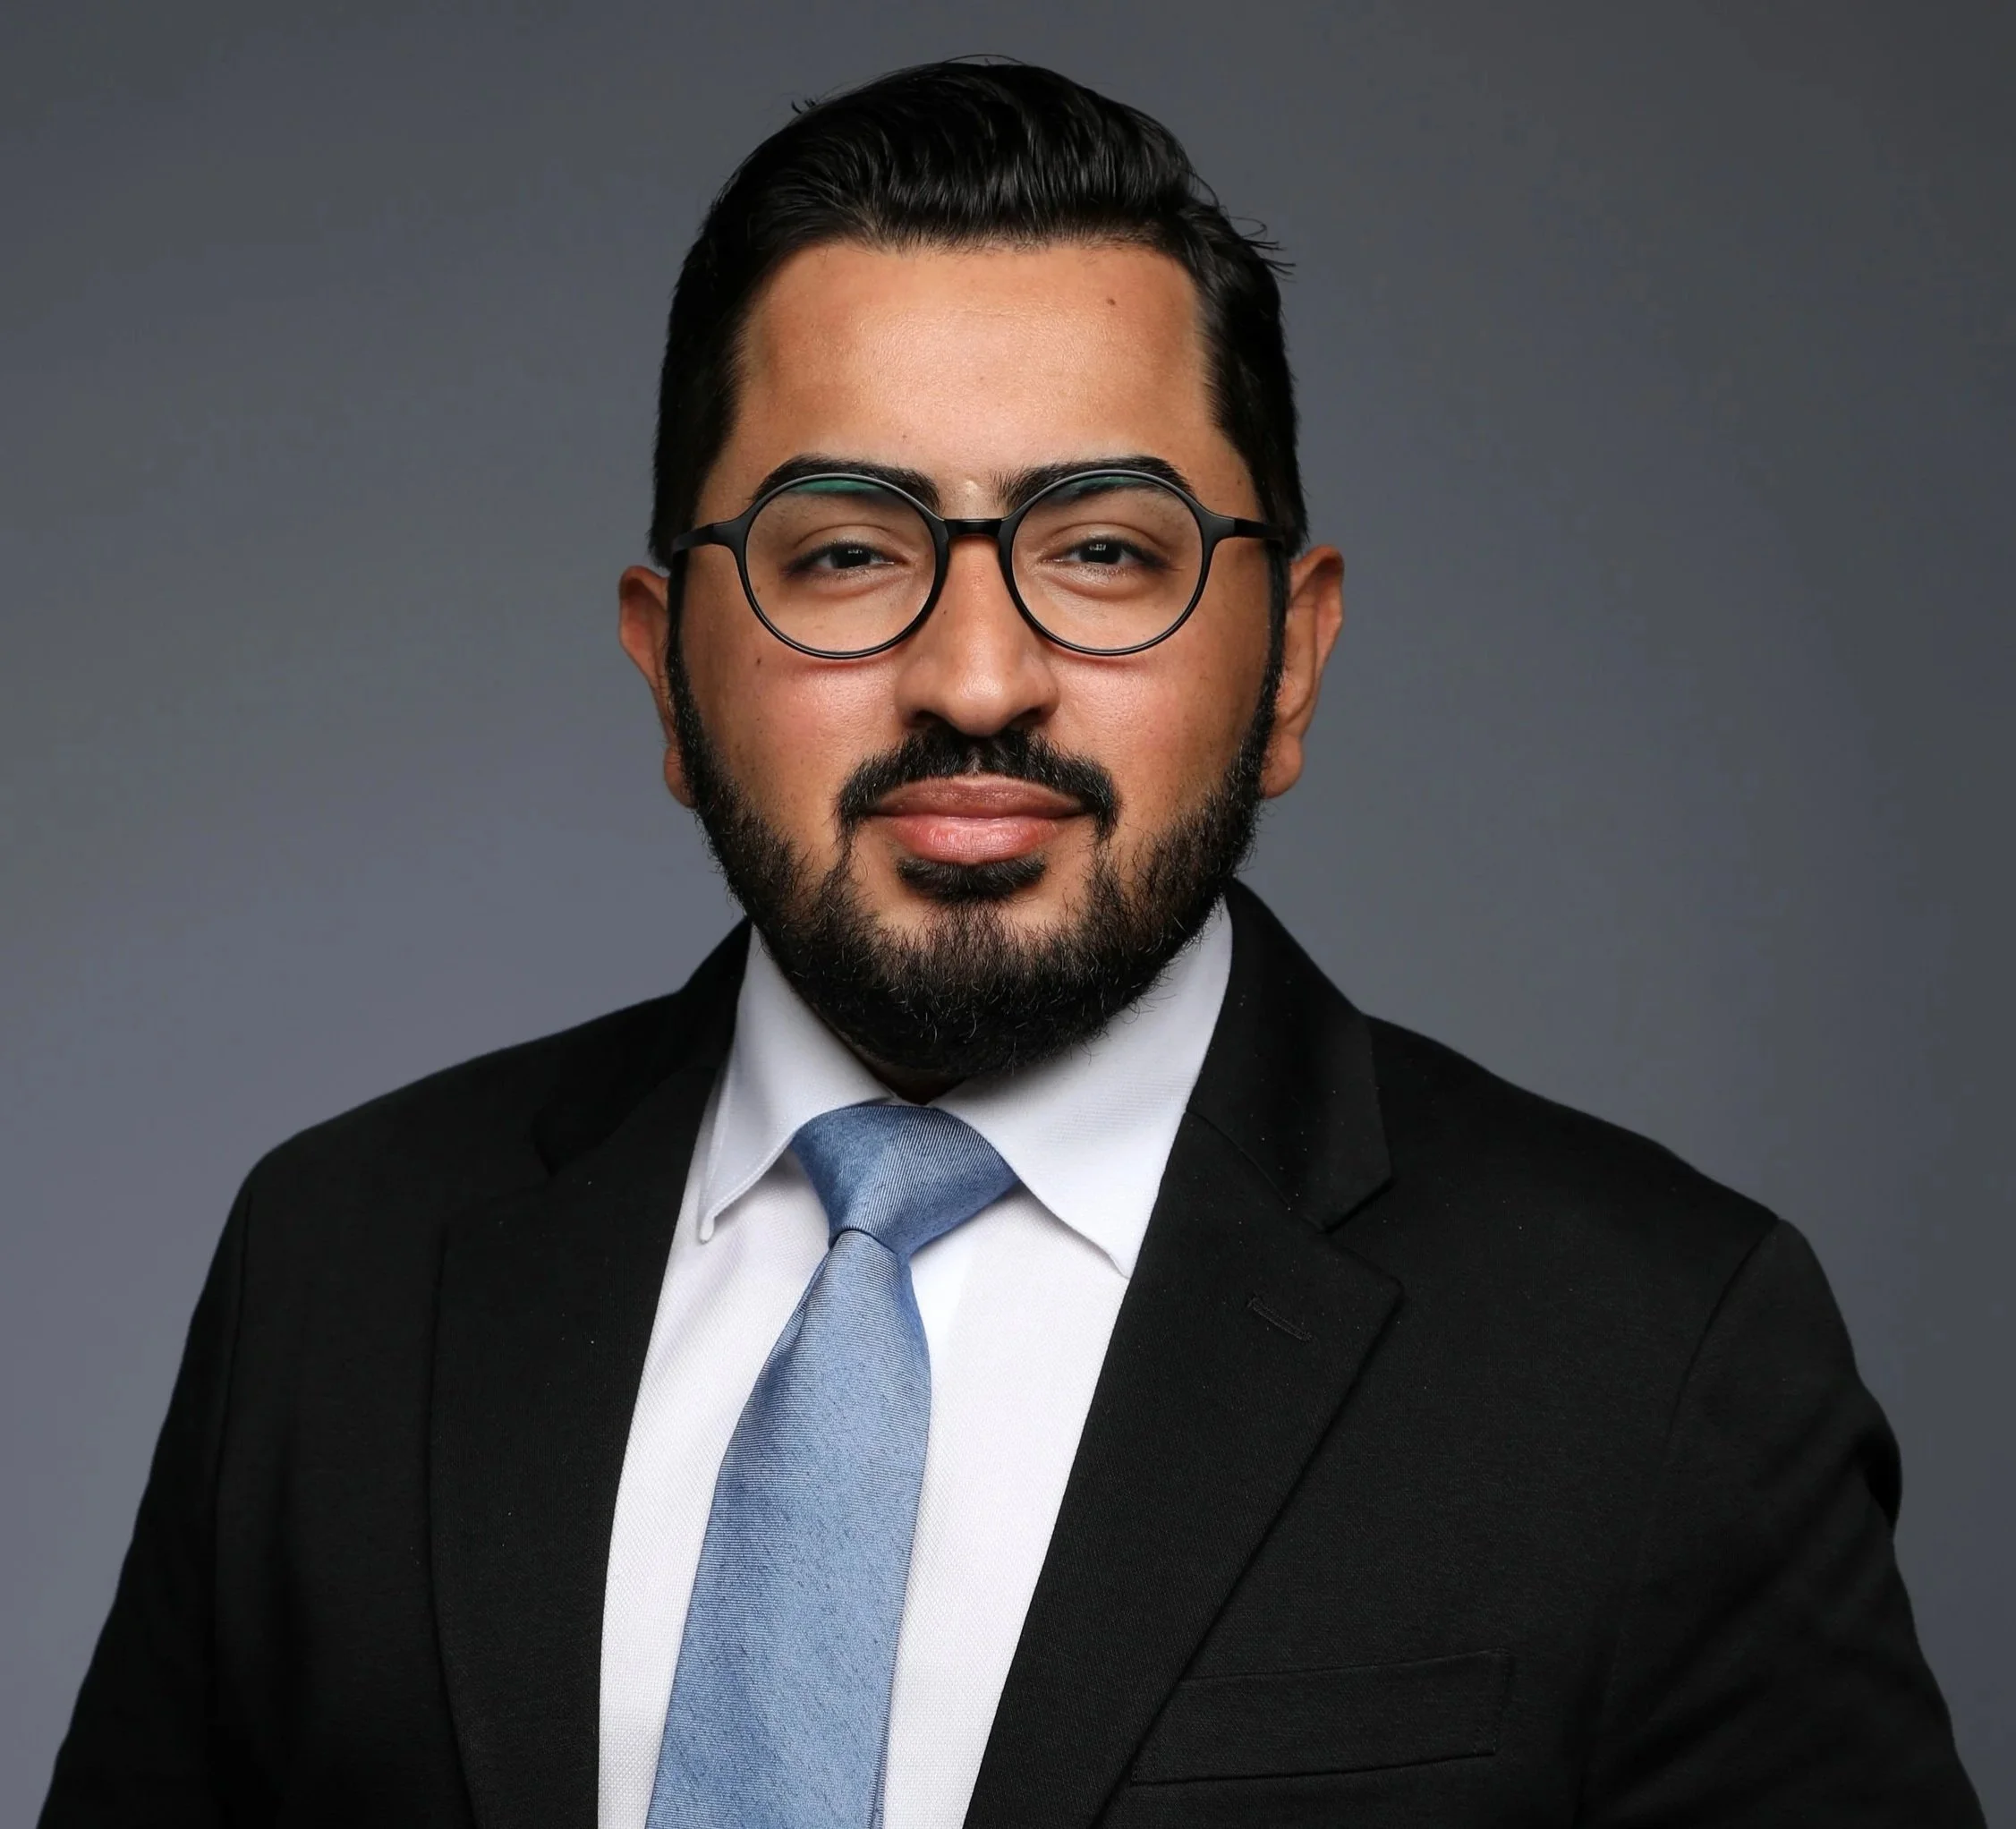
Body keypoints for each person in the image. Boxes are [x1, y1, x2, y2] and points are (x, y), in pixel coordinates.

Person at [40, 58, 1981, 1829]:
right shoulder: (337, 1267)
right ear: (666, 668)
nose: (977, 676)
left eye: (1107, 550)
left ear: (1292, 660)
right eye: (843, 552)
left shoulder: (1652, 1349)